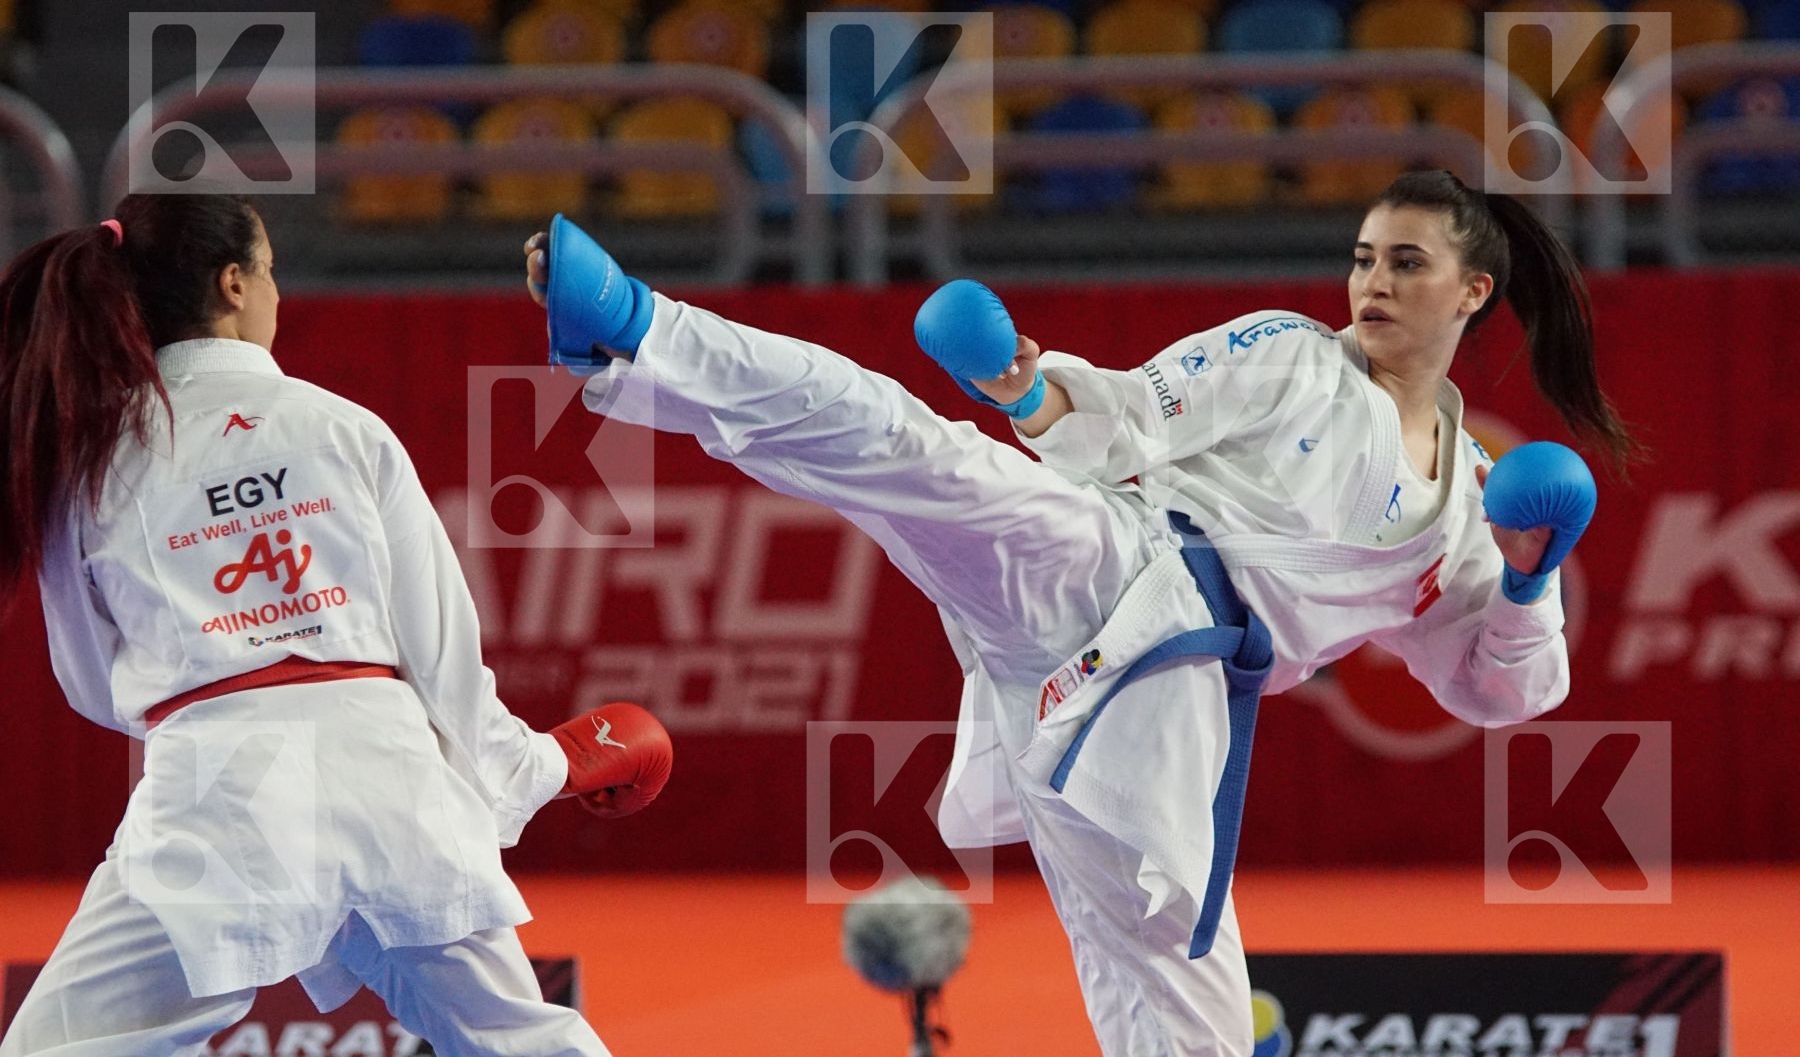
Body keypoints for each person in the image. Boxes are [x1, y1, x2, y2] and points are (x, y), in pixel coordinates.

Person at [526, 168, 1616, 1057]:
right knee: (912, 451)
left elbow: (1497, 691)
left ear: (1472, 292)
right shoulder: (1291, 353)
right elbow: (1134, 417)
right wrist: (1019, 388)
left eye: (1407, 263)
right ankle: (633, 326)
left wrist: (1527, 581)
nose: (1373, 282)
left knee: (1182, 1011)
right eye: (1365, 257)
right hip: (1114, 560)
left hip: (1169, 708)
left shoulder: (1472, 511)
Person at [0, 194, 674, 1057]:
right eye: (271, 271)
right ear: (234, 284)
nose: (278, 293)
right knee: (522, 1040)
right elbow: (443, 662)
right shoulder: (345, 428)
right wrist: (549, 764)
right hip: (391, 790)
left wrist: (215, 690)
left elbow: (93, 684)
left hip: (219, 801)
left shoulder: (90, 460)